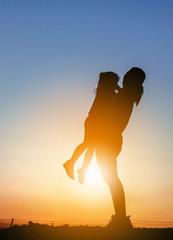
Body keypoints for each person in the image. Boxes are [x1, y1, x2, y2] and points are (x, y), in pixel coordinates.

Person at [95, 67, 146, 229]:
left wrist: (107, 87)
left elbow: (108, 107)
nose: (123, 75)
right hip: (111, 140)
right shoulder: (127, 94)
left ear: (131, 79)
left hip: (109, 140)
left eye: (127, 74)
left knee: (112, 179)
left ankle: (121, 219)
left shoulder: (125, 96)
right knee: (111, 179)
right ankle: (120, 218)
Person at [63, 72, 120, 184]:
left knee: (92, 146)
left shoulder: (106, 91)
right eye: (115, 82)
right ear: (110, 83)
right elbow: (114, 99)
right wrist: (120, 89)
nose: (116, 84)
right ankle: (71, 163)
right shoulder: (105, 92)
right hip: (94, 121)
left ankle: (82, 169)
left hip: (97, 122)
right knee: (88, 143)